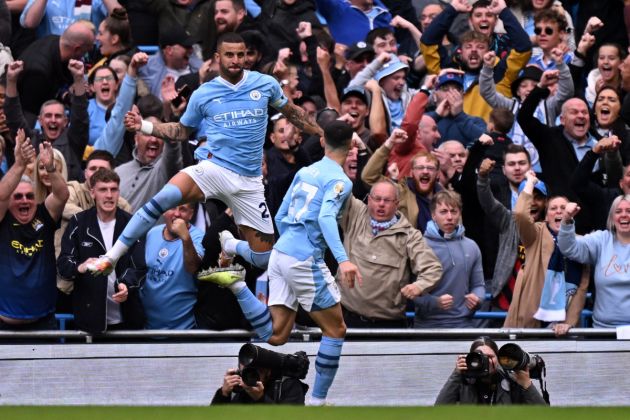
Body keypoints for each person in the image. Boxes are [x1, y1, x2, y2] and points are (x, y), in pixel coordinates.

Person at [86, 32, 323, 275]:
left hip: (249, 182)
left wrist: (321, 132)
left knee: (264, 259)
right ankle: (111, 257)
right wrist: (145, 126)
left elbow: (293, 113)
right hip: (214, 169)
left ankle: (230, 244)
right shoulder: (204, 93)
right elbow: (181, 130)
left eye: (240, 54)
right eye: (229, 55)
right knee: (163, 198)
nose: (236, 60)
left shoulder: (265, 84)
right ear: (218, 57)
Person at [201, 120, 361, 406]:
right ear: (351, 146)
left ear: (322, 142)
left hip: (284, 252)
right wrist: (344, 261)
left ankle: (238, 282)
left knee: (276, 336)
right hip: (305, 259)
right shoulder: (341, 180)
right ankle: (318, 403)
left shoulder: (303, 171)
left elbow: (282, 213)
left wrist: (285, 250)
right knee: (336, 330)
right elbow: (325, 217)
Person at [339, 179, 442, 328]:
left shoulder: (410, 235)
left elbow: (433, 268)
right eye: (377, 199)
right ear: (369, 199)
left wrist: (419, 286)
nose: (381, 204)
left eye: (387, 200)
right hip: (346, 318)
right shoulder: (354, 213)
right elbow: (337, 183)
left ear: (397, 203)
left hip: (388, 324)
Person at [57, 168, 145, 334]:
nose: (109, 195)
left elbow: (139, 266)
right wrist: (80, 267)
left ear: (119, 192)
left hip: (128, 318)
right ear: (92, 193)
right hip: (89, 321)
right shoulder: (79, 222)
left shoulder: (132, 223)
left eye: (113, 189)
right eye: (103, 190)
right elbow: (63, 264)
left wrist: (126, 284)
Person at [503, 171, 589, 331]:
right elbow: (521, 214)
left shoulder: (580, 242)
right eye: (553, 208)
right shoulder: (535, 233)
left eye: (563, 208)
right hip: (531, 318)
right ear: (547, 215)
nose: (558, 211)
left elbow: (582, 287)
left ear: (571, 212)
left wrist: (569, 323)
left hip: (563, 322)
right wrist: (530, 181)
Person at [0, 130, 69, 330]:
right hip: (4, 326)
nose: (25, 201)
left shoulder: (44, 215)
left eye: (29, 196)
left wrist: (50, 167)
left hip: (44, 322)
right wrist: (20, 163)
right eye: (18, 197)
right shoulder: (3, 219)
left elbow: (62, 194)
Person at [414, 191, 484, 328]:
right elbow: (409, 291)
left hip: (463, 324)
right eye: (443, 212)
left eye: (454, 211)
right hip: (427, 325)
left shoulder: (471, 246)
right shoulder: (418, 246)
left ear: (460, 214)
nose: (449, 217)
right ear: (433, 215)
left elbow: (478, 285)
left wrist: (478, 298)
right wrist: (435, 302)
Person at [558, 196, 630, 329]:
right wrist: (567, 220)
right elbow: (569, 248)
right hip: (604, 330)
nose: (624, 215)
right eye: (618, 211)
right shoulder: (601, 240)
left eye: (629, 211)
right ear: (612, 217)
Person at [141, 202, 204, 330]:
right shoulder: (152, 233)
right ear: (164, 210)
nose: (176, 214)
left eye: (183, 209)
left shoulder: (199, 237)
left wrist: (185, 237)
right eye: (172, 207)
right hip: (147, 328)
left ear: (191, 214)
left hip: (182, 329)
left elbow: (193, 267)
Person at [435, 336, 546, 405]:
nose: (486, 361)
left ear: (498, 359)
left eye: (490, 356)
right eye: (480, 357)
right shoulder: (464, 381)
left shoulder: (511, 380)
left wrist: (527, 385)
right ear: (471, 359)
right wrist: (457, 374)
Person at [211, 345, 308, 405]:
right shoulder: (237, 388)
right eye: (245, 371)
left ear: (268, 372)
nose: (249, 376)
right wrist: (223, 394)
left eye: (257, 371)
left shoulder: (288, 386)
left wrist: (260, 398)